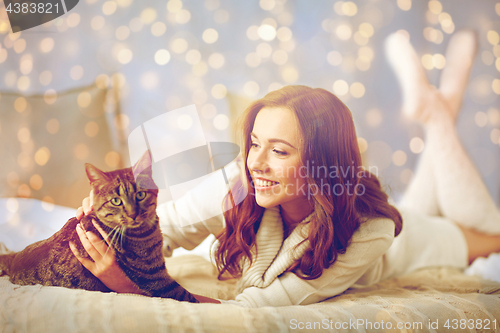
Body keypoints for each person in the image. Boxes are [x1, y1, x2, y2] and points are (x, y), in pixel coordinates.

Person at [72, 30, 500, 307]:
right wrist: (102, 230)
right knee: (432, 182)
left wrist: (125, 286)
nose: (255, 163)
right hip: (387, 205)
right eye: (254, 143)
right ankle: (440, 109)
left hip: (415, 240)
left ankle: (436, 115)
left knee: (493, 233)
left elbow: (246, 313)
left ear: (321, 163)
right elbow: (164, 228)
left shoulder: (372, 231)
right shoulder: (239, 182)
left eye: (278, 151)